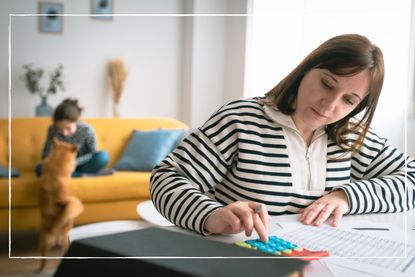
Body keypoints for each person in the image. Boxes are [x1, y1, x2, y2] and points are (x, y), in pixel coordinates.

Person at [150, 34, 415, 242]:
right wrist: (211, 215)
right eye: (327, 83)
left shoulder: (351, 138)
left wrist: (345, 197)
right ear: (306, 70)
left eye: (348, 100)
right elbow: (167, 179)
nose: (329, 105)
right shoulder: (241, 120)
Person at [35, 98, 110, 177]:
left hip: (82, 166)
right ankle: (83, 175)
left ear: (76, 122)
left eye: (68, 128)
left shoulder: (87, 130)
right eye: (59, 129)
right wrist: (57, 162)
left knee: (102, 156)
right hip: (60, 167)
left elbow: (93, 153)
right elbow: (45, 155)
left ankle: (71, 175)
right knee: (39, 168)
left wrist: (73, 162)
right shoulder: (52, 130)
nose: (64, 133)